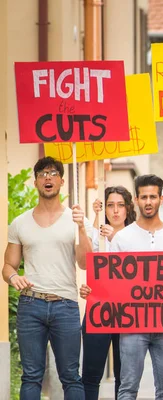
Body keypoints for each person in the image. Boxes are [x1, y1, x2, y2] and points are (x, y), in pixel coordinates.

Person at [101, 174, 163, 400]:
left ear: (161, 198)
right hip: (131, 326)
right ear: (136, 200)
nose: (148, 202)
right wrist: (94, 291)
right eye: (144, 197)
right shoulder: (122, 238)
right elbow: (110, 282)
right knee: (127, 389)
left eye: (153, 197)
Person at [2, 156, 93, 400]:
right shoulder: (20, 223)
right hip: (31, 304)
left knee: (71, 376)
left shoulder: (75, 220)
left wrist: (82, 228)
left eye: (53, 173)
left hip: (65, 304)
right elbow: (8, 266)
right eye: (42, 174)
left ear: (62, 181)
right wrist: (13, 278)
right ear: (35, 182)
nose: (48, 177)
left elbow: (84, 263)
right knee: (31, 376)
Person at [80, 186, 136, 399]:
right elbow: (89, 261)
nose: (115, 211)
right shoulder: (99, 235)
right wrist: (95, 216)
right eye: (110, 205)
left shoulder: (136, 235)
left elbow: (138, 270)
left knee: (124, 377)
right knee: (91, 375)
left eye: (120, 205)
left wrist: (115, 237)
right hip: (99, 310)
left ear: (127, 208)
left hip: (127, 314)